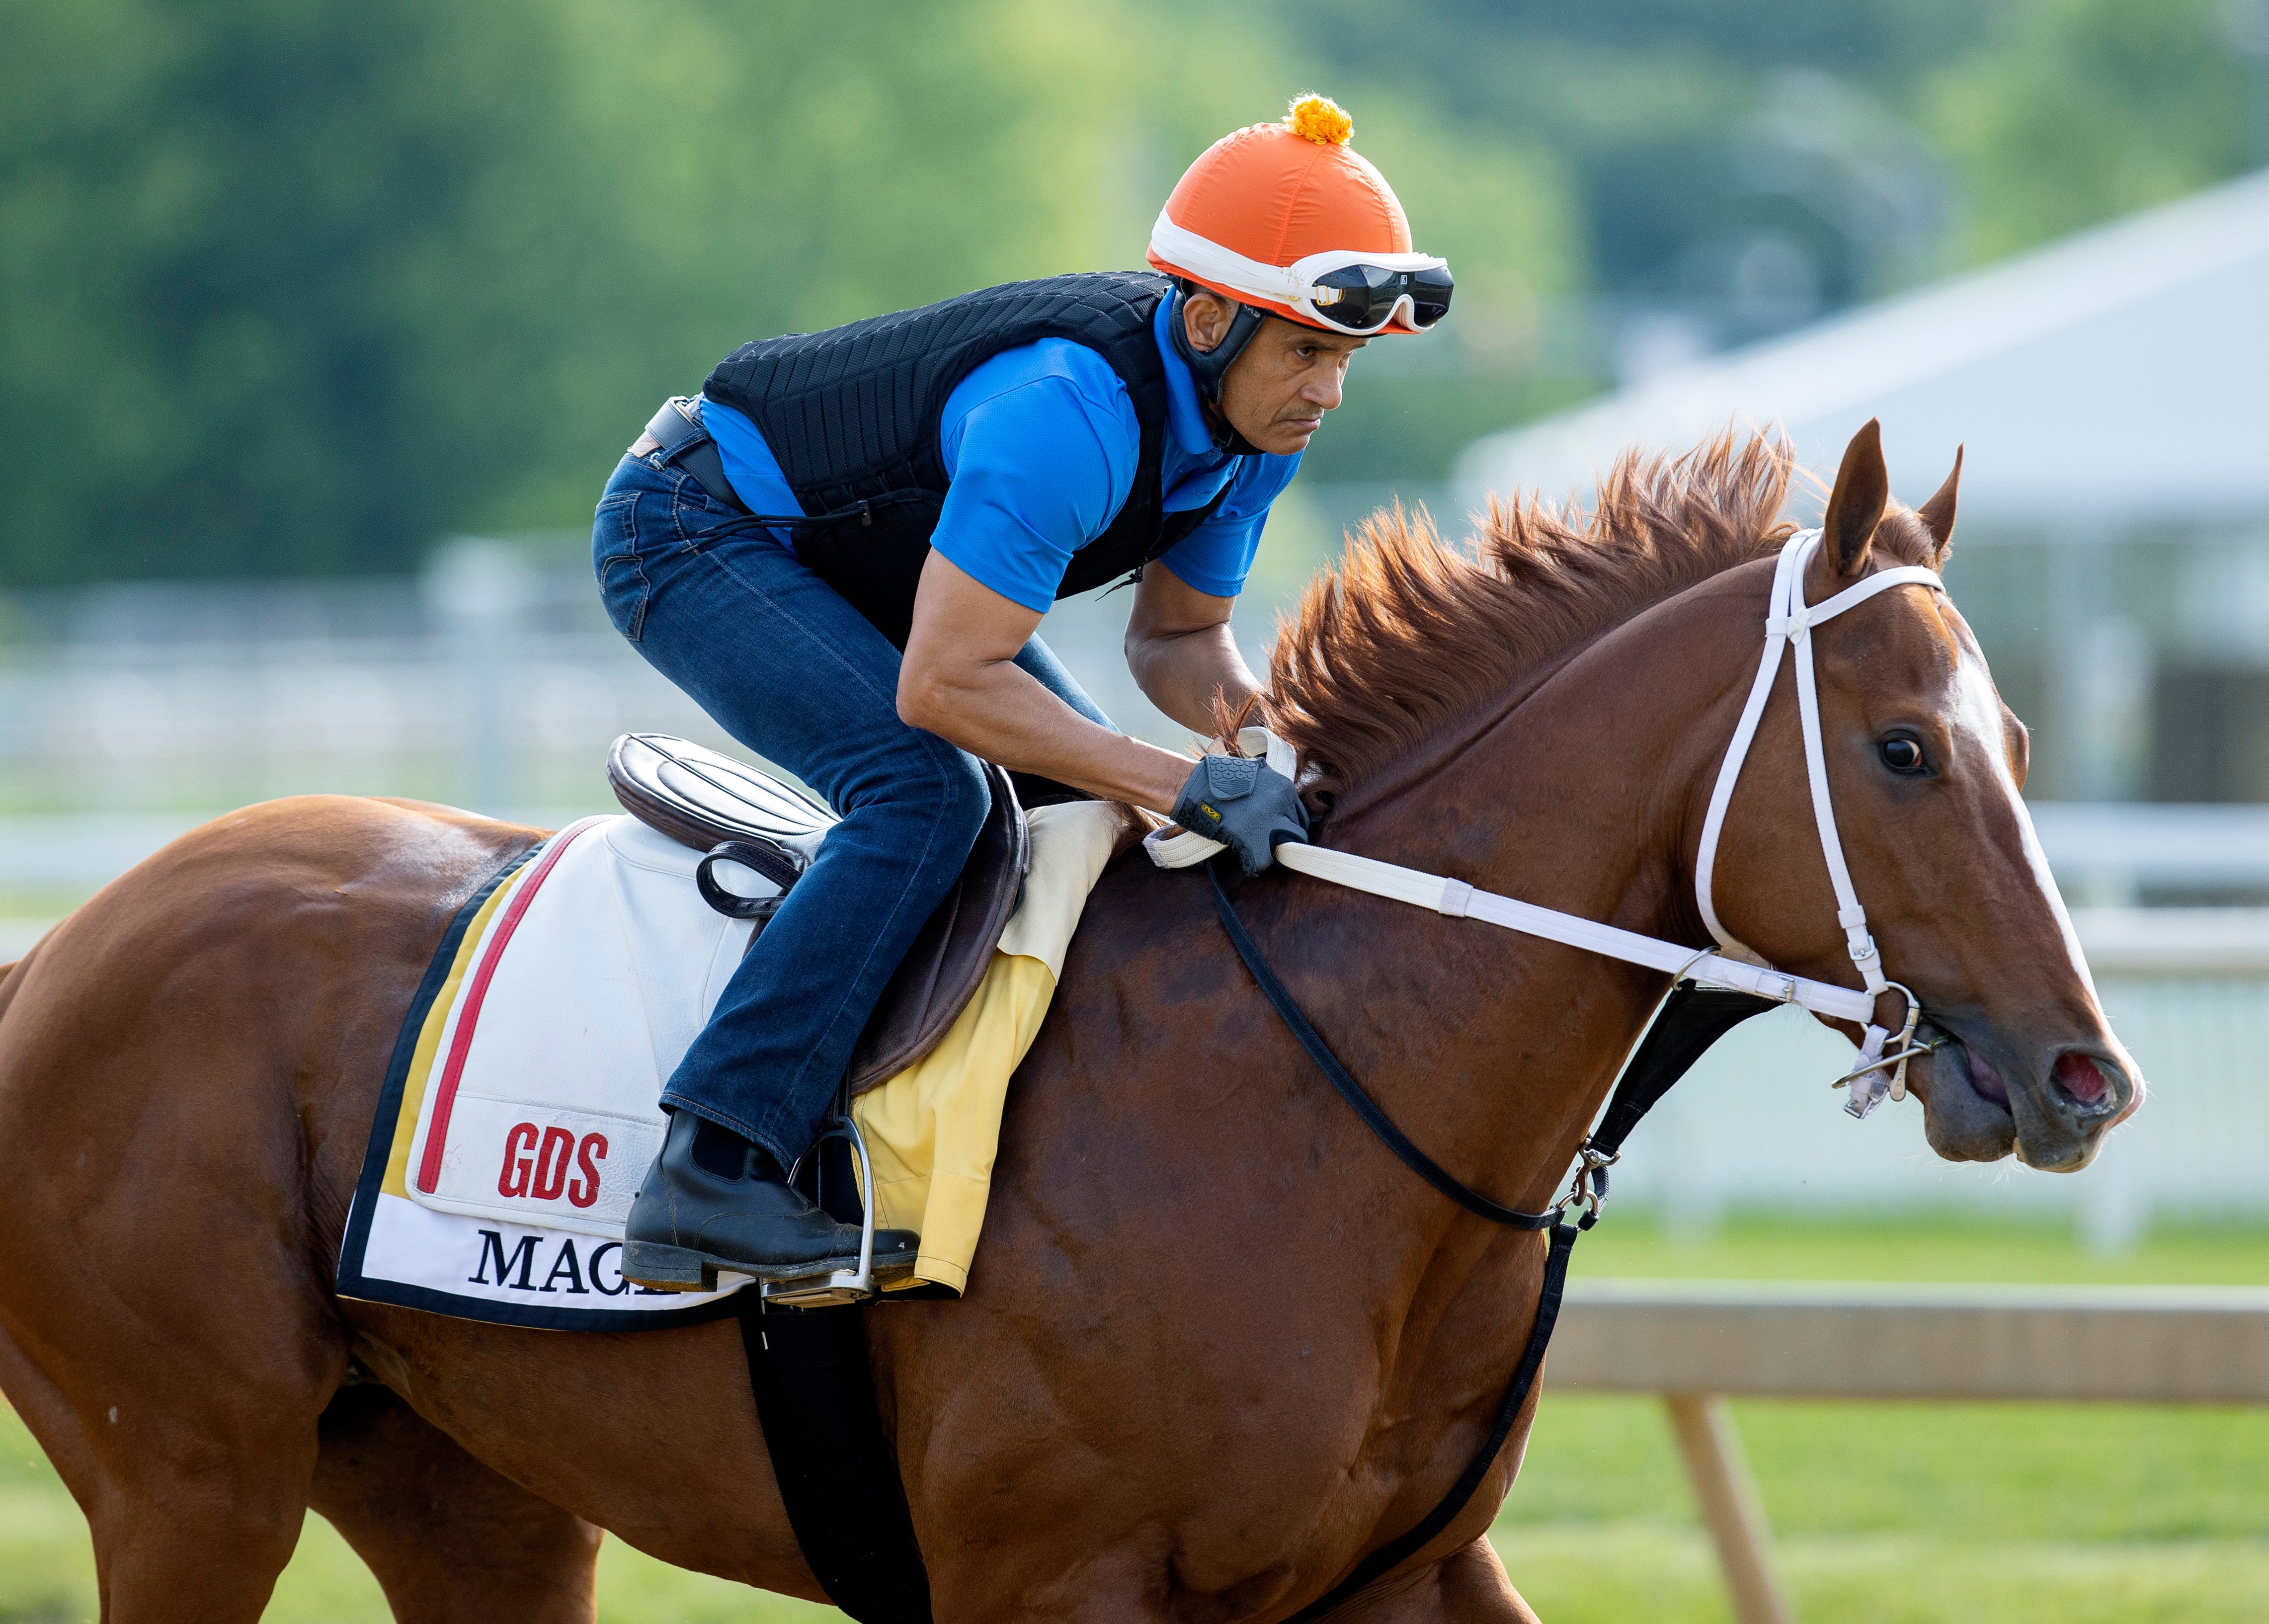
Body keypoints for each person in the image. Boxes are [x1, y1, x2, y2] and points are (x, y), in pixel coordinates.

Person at [592, 93, 1454, 1290]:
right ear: (1208, 320)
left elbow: (1181, 637)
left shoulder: (1257, 433)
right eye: (1308, 350)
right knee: (928, 795)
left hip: (869, 559)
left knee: (1079, 791)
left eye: (1344, 358)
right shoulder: (1069, 412)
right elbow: (946, 686)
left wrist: (1262, 744)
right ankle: (712, 1163)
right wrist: (1178, 784)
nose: (1329, 392)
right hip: (695, 526)